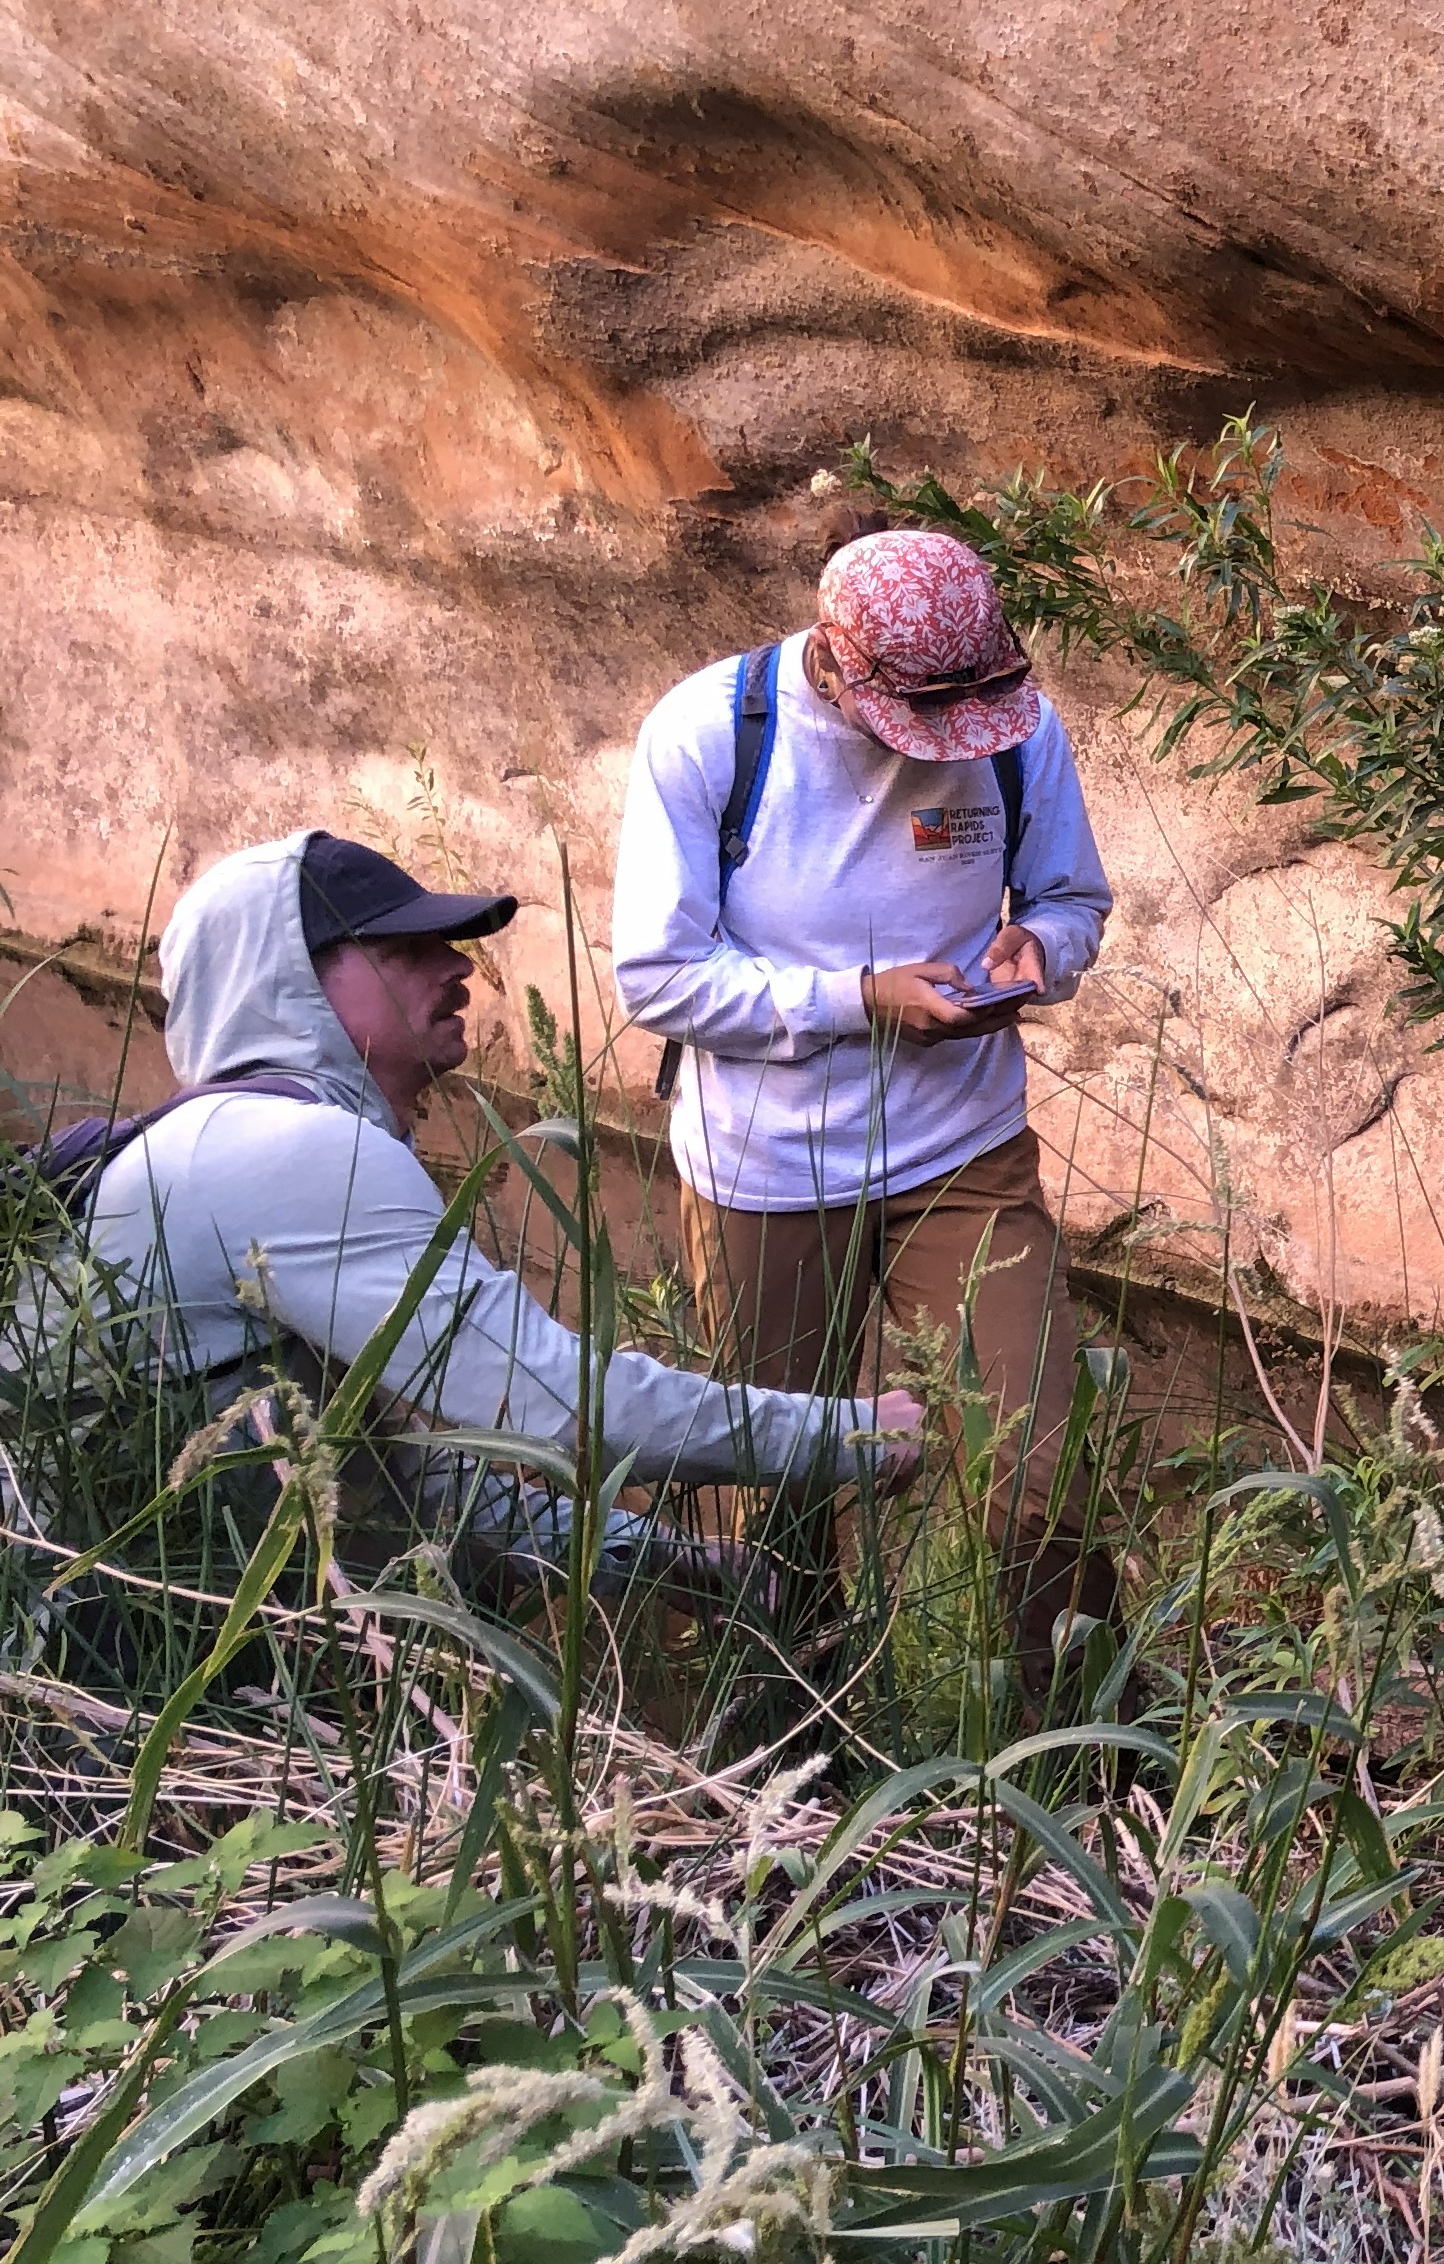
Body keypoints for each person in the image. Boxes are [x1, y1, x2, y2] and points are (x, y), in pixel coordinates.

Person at [63, 832, 917, 1602]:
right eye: (405, 948)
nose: (459, 967)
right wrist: (854, 1435)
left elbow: (394, 1484)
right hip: (91, 1642)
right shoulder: (291, 1149)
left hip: (134, 1603)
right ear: (288, 985)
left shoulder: (230, 1134)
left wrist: (662, 1556)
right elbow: (564, 1411)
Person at [614, 528, 1117, 1686]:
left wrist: (1041, 948)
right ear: (838, 663)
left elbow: (1072, 893)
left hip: (965, 1151)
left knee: (1044, 1461)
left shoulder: (1019, 723)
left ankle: (1079, 1750)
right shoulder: (709, 734)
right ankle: (788, 1734)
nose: (948, 747)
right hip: (768, 1166)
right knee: (777, 1482)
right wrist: (861, 1000)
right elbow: (657, 977)